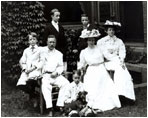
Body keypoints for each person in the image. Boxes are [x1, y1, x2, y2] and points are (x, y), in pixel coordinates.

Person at [78, 29, 121, 116]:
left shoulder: (100, 49)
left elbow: (108, 57)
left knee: (101, 82)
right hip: (91, 70)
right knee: (91, 85)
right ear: (86, 41)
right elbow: (81, 64)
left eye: (93, 40)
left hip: (101, 69)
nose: (91, 42)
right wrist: (80, 69)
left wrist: (118, 58)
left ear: (95, 40)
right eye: (89, 40)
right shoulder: (84, 52)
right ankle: (90, 104)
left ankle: (95, 105)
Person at [97, 20, 136, 104]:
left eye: (113, 30)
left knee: (124, 73)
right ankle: (119, 95)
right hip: (107, 62)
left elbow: (122, 52)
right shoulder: (101, 42)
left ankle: (126, 95)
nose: (111, 31)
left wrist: (121, 60)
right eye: (110, 30)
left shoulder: (119, 41)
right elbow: (102, 53)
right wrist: (111, 59)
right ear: (106, 31)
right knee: (119, 70)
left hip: (117, 61)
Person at [41, 35, 69, 116]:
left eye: (53, 42)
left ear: (55, 43)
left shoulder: (59, 54)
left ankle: (59, 105)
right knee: (46, 86)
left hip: (56, 75)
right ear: (47, 42)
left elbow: (61, 66)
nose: (51, 44)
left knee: (66, 83)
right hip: (46, 75)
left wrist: (56, 72)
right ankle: (50, 108)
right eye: (50, 42)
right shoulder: (42, 51)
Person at [16, 32, 42, 107]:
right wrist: (24, 69)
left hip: (35, 70)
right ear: (28, 41)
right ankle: (34, 95)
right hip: (26, 71)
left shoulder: (40, 50)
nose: (32, 41)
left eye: (34, 39)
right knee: (20, 84)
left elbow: (41, 62)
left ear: (37, 40)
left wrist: (32, 69)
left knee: (31, 80)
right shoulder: (26, 50)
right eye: (30, 39)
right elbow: (22, 61)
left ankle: (33, 97)